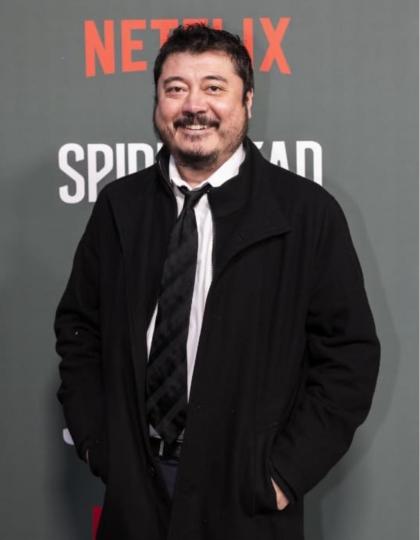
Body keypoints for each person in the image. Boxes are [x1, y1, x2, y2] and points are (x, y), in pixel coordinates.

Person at [55, 24, 380, 540]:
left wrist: (281, 475)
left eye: (213, 87)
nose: (194, 105)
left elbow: (349, 358)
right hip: (136, 492)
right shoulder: (120, 207)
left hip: (245, 500)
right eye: (175, 88)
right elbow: (79, 331)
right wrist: (99, 445)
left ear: (247, 100)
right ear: (158, 102)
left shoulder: (306, 214)